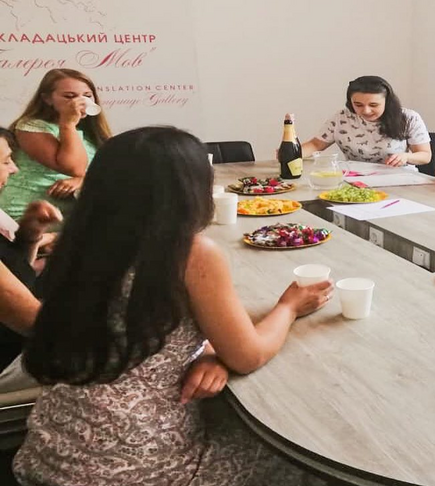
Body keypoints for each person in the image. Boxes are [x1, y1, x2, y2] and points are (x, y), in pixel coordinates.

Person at [13, 127, 334, 486]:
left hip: (50, 454)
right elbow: (249, 356)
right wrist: (289, 307)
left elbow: (144, 328)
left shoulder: (77, 242)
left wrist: (209, 351)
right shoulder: (189, 253)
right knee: (306, 457)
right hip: (140, 468)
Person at [0, 68, 112, 220]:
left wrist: (83, 180)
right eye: (69, 96)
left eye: (87, 96)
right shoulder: (31, 126)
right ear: (47, 99)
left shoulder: (91, 131)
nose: (80, 102)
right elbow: (74, 168)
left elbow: (105, 173)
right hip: (29, 213)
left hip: (71, 215)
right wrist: (68, 124)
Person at [0, 127, 61, 385]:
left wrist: (29, 236)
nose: (14, 169)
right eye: (5, 161)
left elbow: (13, 275)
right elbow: (34, 323)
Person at [299, 75, 431, 169]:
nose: (366, 111)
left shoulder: (409, 118)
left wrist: (406, 157)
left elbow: (425, 156)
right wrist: (292, 155)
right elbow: (315, 145)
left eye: (373, 105)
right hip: (356, 179)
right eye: (358, 105)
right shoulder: (342, 117)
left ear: (387, 102)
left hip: (399, 178)